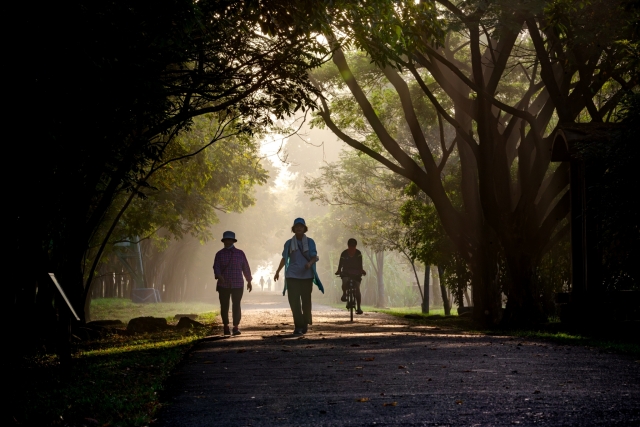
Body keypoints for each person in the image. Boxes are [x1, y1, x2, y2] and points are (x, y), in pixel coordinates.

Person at [274, 218, 324, 335]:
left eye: (301, 226)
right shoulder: (288, 243)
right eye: (297, 226)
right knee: (294, 301)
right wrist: (277, 271)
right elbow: (284, 258)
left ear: (304, 228)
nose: (299, 228)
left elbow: (314, 256)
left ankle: (305, 322)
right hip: (292, 275)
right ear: (294, 229)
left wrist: (309, 264)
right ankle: (298, 325)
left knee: (306, 301)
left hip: (307, 276)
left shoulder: (310, 242)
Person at [212, 231, 252, 336]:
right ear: (223, 241)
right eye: (226, 240)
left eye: (230, 240)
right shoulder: (219, 254)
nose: (228, 241)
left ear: (233, 241)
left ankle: (235, 327)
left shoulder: (240, 253)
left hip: (238, 284)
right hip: (223, 284)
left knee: (236, 305)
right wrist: (218, 275)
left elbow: (245, 268)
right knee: (224, 306)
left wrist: (249, 281)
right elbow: (216, 267)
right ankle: (225, 326)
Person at [335, 238, 366, 315]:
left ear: (355, 246)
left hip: (356, 272)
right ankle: (344, 293)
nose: (352, 248)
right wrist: (339, 270)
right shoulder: (344, 253)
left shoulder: (358, 253)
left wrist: (361, 270)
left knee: (357, 288)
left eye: (353, 246)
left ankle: (358, 308)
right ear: (348, 246)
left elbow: (360, 264)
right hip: (346, 272)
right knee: (345, 281)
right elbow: (340, 263)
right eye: (350, 246)